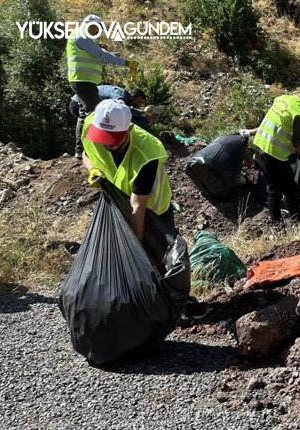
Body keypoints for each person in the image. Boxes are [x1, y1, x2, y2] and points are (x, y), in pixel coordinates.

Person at [80, 99, 209, 319]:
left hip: (153, 211)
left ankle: (179, 307)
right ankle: (132, 303)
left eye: (114, 140)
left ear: (129, 129)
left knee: (162, 260)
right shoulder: (93, 126)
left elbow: (138, 207)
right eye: (104, 139)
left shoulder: (147, 152)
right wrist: (92, 169)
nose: (107, 145)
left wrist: (136, 251)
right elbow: (87, 152)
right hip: (119, 203)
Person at [241, 78, 300, 222]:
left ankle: (280, 222)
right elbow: (298, 144)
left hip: (260, 147)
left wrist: (249, 132)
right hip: (274, 155)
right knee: (286, 191)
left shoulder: (282, 99)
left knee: (279, 189)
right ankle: (292, 224)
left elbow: (271, 123)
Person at [67, 15, 138, 159]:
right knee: (92, 114)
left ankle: (82, 150)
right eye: (97, 28)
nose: (98, 31)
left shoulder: (86, 39)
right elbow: (101, 55)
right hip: (83, 81)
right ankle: (86, 150)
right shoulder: (80, 35)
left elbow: (100, 57)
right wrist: (126, 63)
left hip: (85, 81)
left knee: (85, 114)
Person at [69, 86, 153, 129]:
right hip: (78, 103)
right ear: (133, 97)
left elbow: (127, 115)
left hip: (86, 104)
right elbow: (121, 108)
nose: (139, 105)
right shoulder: (119, 94)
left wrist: (148, 120)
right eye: (139, 101)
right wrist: (142, 112)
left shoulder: (125, 102)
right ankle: (81, 151)